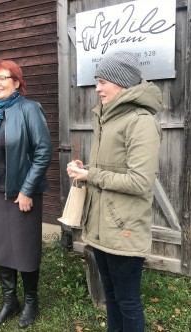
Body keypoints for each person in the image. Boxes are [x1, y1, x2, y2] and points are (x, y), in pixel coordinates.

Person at [67, 51, 162, 331]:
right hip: (102, 225)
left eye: (102, 81)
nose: (97, 89)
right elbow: (109, 168)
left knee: (128, 300)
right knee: (111, 297)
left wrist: (92, 174)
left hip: (124, 227)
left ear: (120, 82)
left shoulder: (140, 121)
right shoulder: (108, 118)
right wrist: (85, 170)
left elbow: (140, 181)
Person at [0, 59, 52, 329]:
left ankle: (31, 301)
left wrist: (28, 189)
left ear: (17, 82)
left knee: (25, 248)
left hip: (22, 194)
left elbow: (43, 152)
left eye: (3, 78)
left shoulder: (30, 109)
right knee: (0, 249)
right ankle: (10, 301)